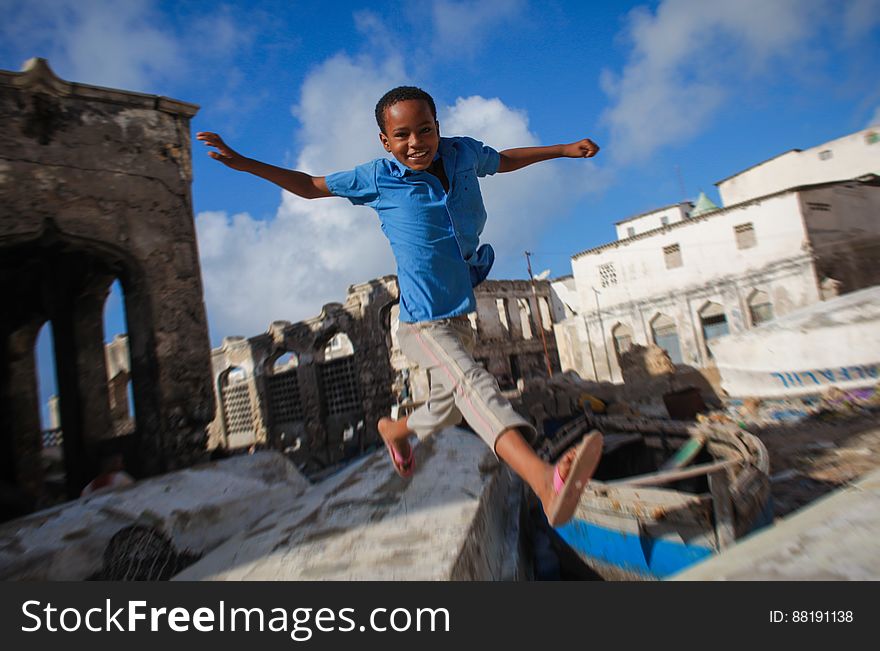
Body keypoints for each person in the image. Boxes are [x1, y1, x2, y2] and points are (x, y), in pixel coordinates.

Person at [197, 86, 603, 526]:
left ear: (437, 128)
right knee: (472, 385)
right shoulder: (377, 177)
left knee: (447, 407)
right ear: (386, 142)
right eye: (403, 135)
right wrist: (242, 163)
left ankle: (395, 431)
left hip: (458, 314)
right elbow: (311, 187)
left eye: (425, 130)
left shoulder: (463, 154)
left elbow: (504, 160)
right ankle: (542, 479)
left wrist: (563, 149)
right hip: (421, 323)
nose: (416, 143)